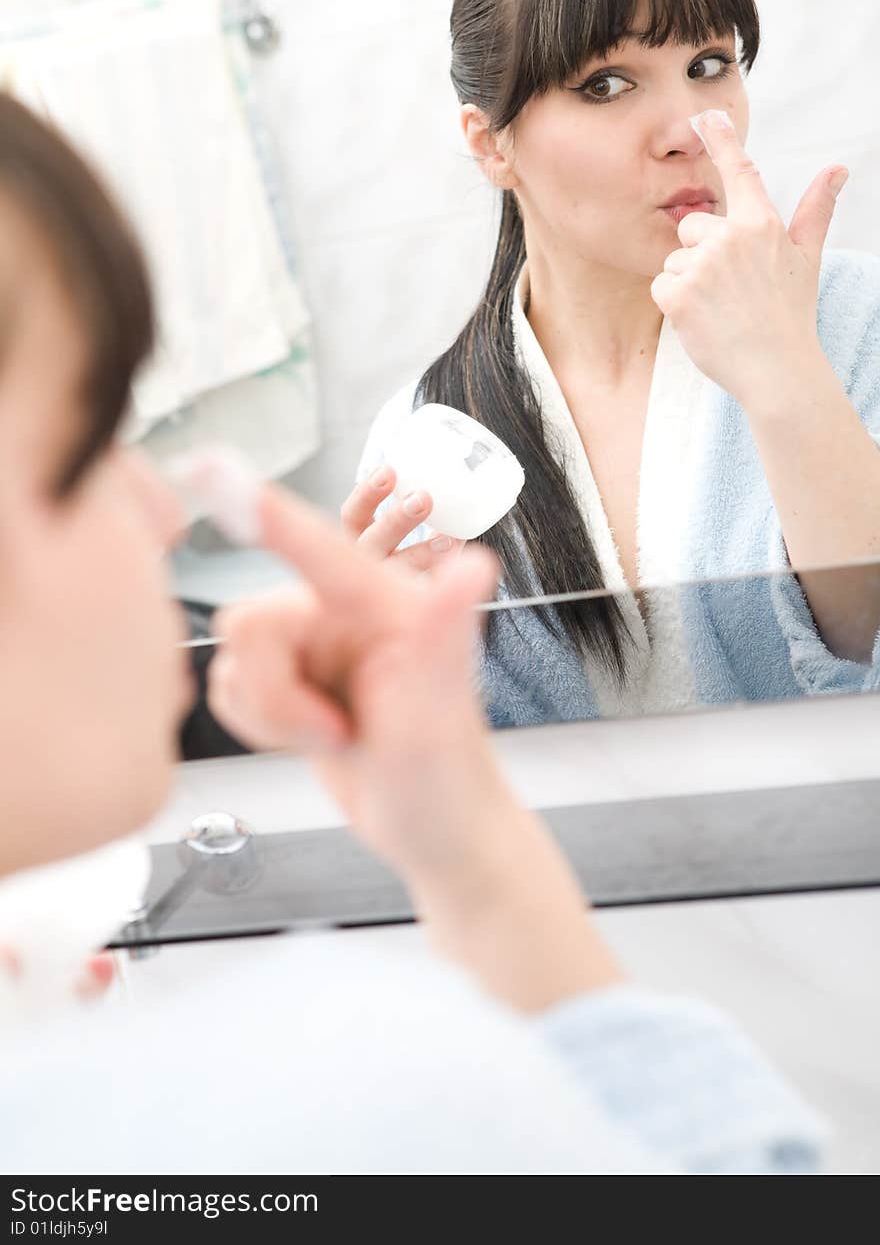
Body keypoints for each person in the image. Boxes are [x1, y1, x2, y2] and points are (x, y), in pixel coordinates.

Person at [0, 91, 823, 1174]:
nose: (159, 512)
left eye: (712, 62)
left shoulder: (829, 313)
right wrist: (477, 856)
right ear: (489, 142)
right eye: (88, 441)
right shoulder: (355, 1087)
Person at [350, 0, 880, 728]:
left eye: (710, 66)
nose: (690, 127)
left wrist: (788, 378)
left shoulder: (855, 323)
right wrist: (373, 680)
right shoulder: (431, 429)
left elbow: (869, 641)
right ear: (493, 145)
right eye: (605, 84)